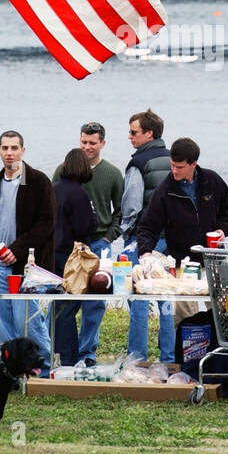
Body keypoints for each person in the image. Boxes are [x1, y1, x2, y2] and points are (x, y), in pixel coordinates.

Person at [0, 130, 54, 364]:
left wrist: (17, 250)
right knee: (3, 321)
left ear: (23, 150)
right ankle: (11, 368)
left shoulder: (39, 181)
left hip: (26, 266)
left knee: (27, 320)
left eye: (14, 148)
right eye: (5, 148)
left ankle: (43, 365)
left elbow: (47, 223)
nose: (10, 153)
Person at [52, 121, 124, 365]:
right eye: (83, 142)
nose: (87, 146)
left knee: (94, 302)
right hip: (70, 247)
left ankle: (86, 353)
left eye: (92, 143)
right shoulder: (63, 171)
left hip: (98, 242)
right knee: (67, 301)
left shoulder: (113, 174)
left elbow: (121, 210)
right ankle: (66, 355)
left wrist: (109, 235)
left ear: (102, 143)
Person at [120, 109, 174, 362]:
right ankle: (169, 357)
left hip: (143, 240)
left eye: (133, 132)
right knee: (167, 301)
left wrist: (127, 233)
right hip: (172, 241)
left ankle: (137, 356)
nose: (129, 137)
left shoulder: (138, 163)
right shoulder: (175, 159)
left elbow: (131, 204)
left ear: (148, 134)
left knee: (139, 297)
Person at [135, 137, 228, 265]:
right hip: (180, 263)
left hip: (214, 261)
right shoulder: (164, 191)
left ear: (193, 164)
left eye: (180, 167)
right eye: (172, 165)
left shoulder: (212, 180)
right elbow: (147, 227)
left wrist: (223, 229)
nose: (174, 171)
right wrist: (146, 253)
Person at [51, 148, 101, 367]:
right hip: (72, 257)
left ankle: (53, 352)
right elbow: (84, 228)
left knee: (59, 305)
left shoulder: (54, 190)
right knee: (69, 308)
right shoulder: (79, 194)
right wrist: (95, 219)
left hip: (53, 253)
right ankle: (69, 359)